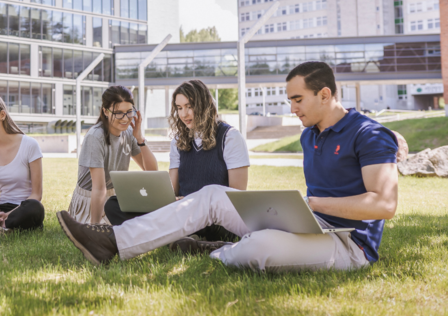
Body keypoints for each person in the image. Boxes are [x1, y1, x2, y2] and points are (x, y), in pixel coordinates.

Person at [56, 61, 399, 272]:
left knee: (260, 249)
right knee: (210, 195)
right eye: (289, 100)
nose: (292, 107)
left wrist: (315, 205)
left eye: (297, 99)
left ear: (325, 94)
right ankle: (112, 242)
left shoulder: (370, 135)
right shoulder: (311, 134)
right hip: (308, 223)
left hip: (349, 244)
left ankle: (218, 250)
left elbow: (384, 205)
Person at [103, 80, 249, 248]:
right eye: (179, 108)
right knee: (114, 205)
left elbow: (236, 198)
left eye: (189, 106)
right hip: (181, 214)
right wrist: (169, 199)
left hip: (215, 220)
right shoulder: (178, 141)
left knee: (185, 219)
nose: (184, 114)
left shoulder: (230, 137)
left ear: (204, 105)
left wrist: (191, 202)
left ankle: (175, 238)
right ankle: (184, 239)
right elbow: (172, 191)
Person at [68, 85, 158, 224]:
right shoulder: (95, 136)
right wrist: (95, 228)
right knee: (121, 231)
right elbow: (98, 189)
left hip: (116, 198)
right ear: (105, 111)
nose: (125, 118)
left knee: (150, 217)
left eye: (129, 112)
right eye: (118, 112)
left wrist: (139, 139)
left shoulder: (128, 133)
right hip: (92, 201)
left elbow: (152, 172)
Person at [0, 94, 45, 233]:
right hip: (0, 207)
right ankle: (0, 226)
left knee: (35, 207)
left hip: (22, 208)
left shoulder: (29, 145)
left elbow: (37, 195)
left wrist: (7, 215)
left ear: (2, 115)